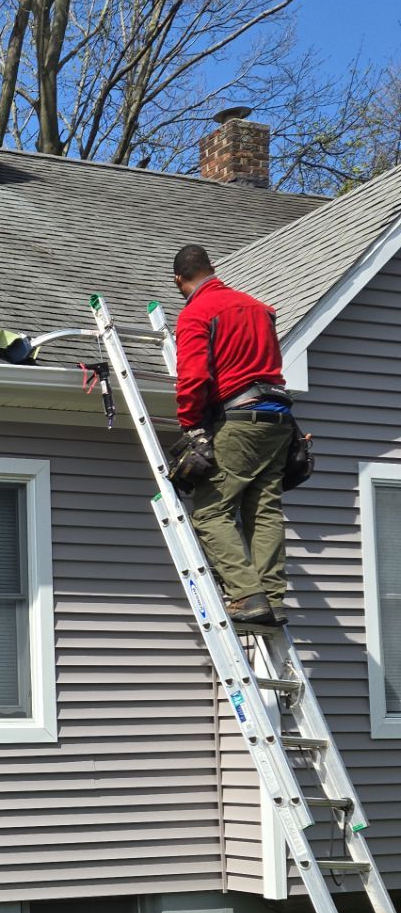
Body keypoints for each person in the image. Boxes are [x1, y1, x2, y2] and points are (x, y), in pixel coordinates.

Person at [173, 243, 294, 628]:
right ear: (213, 268)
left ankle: (246, 596)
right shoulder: (260, 308)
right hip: (279, 420)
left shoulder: (197, 312)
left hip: (239, 420)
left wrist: (191, 425)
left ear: (179, 280)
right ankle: (273, 599)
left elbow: (193, 378)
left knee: (210, 512)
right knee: (264, 510)